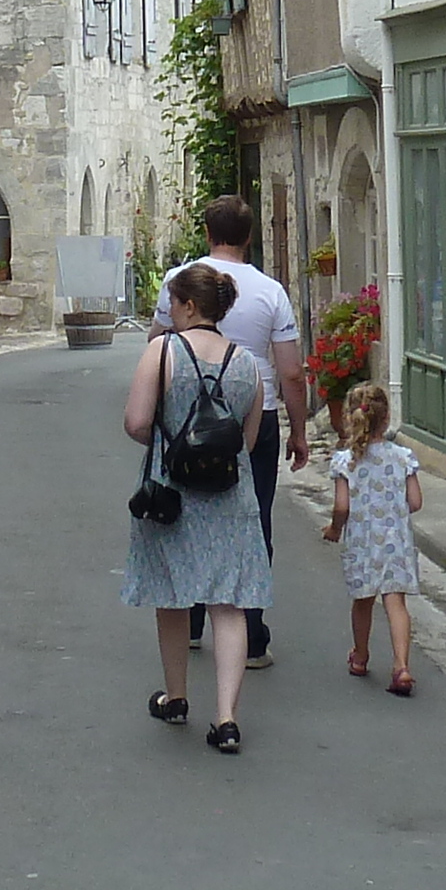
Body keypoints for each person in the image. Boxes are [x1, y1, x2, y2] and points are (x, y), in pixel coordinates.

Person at [150, 195, 311, 667]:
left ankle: (193, 620)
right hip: (251, 413)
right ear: (249, 236)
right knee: (251, 517)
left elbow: (158, 344)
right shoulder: (270, 291)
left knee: (188, 512)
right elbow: (291, 371)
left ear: (206, 232)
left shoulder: (179, 283)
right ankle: (252, 632)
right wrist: (298, 431)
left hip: (186, 416)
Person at [123, 263, 272, 755]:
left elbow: (137, 421)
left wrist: (172, 441)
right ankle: (226, 718)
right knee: (227, 604)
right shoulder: (248, 363)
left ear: (188, 306)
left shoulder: (162, 351)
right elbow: (247, 442)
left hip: (173, 492)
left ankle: (177, 696)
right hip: (231, 495)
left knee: (172, 593)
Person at [321, 381, 425, 696]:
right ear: (387, 416)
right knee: (396, 603)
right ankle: (402, 666)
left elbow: (342, 506)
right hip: (396, 540)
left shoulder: (345, 461)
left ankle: (361, 655)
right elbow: (416, 502)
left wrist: (334, 529)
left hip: (362, 542)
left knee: (363, 602)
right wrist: (392, 510)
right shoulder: (403, 456)